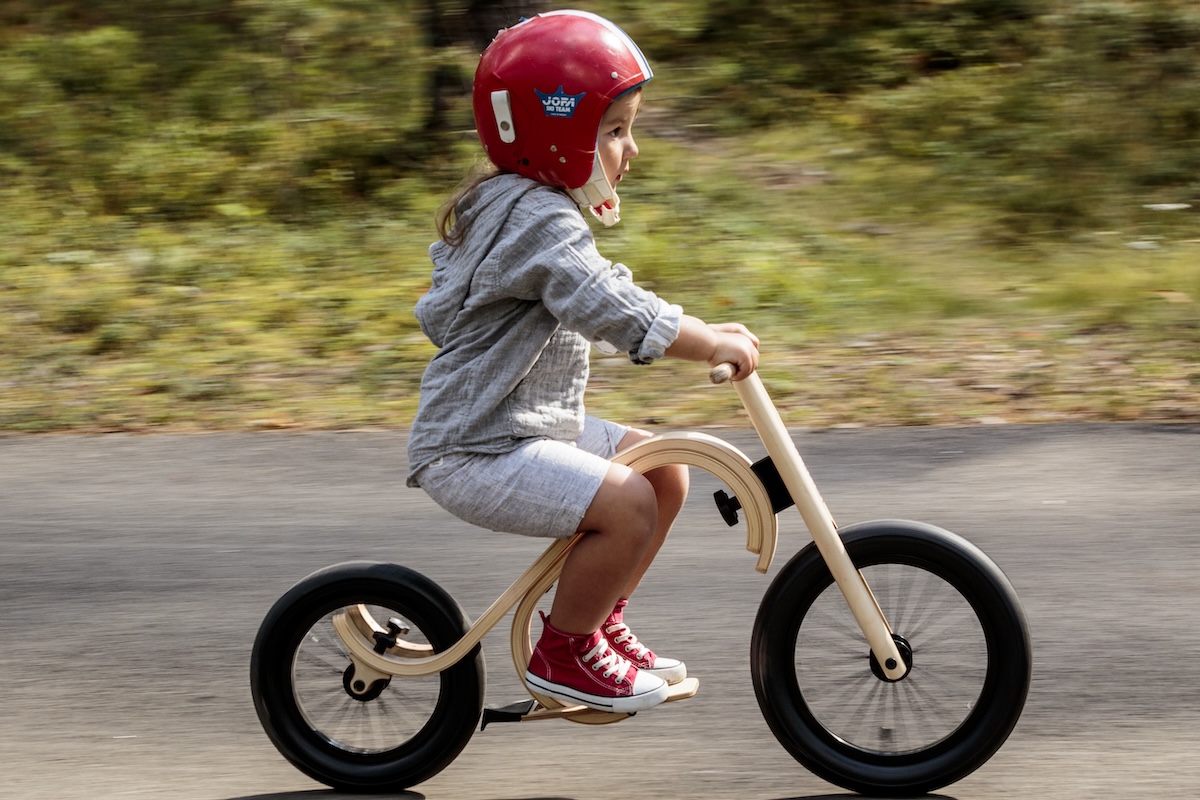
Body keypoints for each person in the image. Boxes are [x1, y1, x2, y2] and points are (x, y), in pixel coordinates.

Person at [406, 9, 759, 714]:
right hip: (479, 448)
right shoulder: (538, 218)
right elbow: (606, 305)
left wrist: (697, 328)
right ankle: (566, 653)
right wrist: (703, 341)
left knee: (662, 467)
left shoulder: (524, 205)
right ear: (556, 133)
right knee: (628, 502)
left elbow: (584, 304)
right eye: (616, 130)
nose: (632, 149)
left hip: (525, 425)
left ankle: (594, 623)